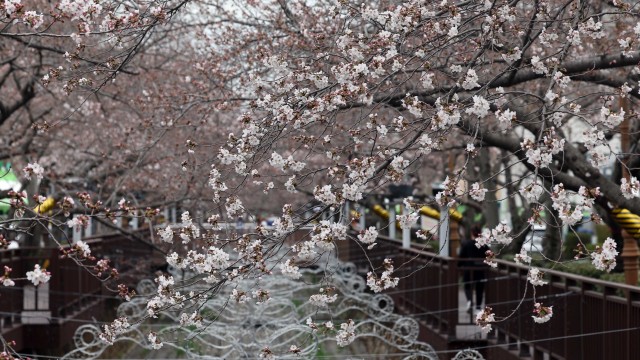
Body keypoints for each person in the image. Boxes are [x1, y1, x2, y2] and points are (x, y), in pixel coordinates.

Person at [459, 227, 490, 313]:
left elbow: (461, 256)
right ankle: (478, 308)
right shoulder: (484, 245)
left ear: (472, 233)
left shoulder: (467, 244)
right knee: (479, 288)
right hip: (481, 269)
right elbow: (490, 255)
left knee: (467, 286)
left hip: (469, 269)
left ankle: (469, 300)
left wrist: (459, 266)